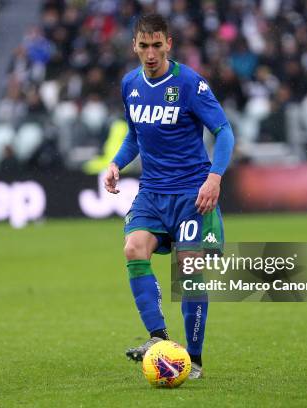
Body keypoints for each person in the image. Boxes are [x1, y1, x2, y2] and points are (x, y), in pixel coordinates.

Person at [103, 14, 235, 379]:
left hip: (193, 195)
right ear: (134, 45)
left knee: (188, 272)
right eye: (143, 46)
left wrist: (214, 178)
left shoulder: (190, 83)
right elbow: (134, 136)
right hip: (152, 192)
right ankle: (158, 338)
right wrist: (116, 162)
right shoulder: (130, 84)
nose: (150, 53)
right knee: (133, 249)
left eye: (156, 45)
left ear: (168, 44)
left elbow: (224, 132)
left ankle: (194, 359)